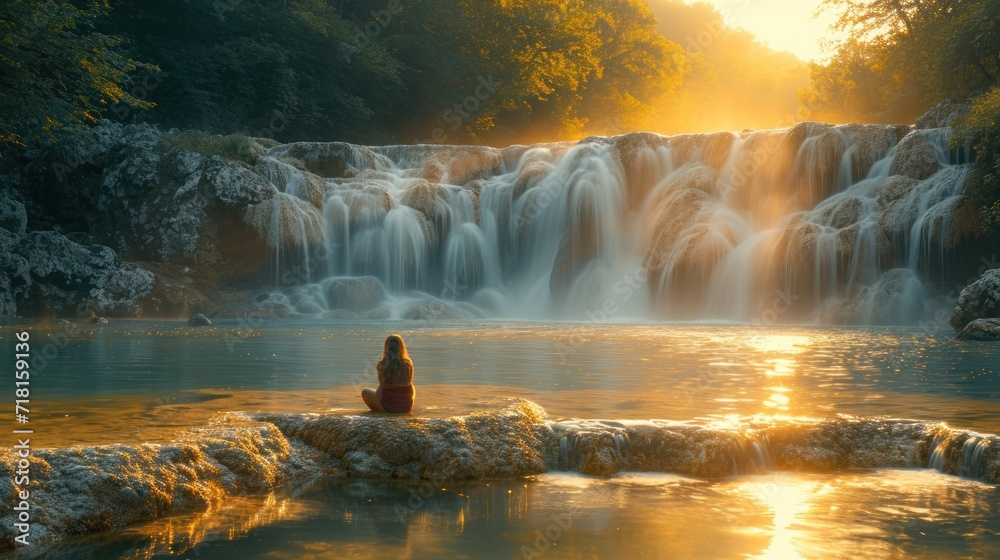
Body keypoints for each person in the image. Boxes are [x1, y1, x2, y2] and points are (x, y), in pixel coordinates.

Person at [362, 334, 415, 413]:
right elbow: (409, 385)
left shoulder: (381, 364)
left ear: (386, 348)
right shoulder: (408, 364)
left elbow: (382, 388)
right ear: (401, 348)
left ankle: (383, 411)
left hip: (388, 407)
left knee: (365, 392)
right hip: (406, 407)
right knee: (412, 387)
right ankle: (403, 408)